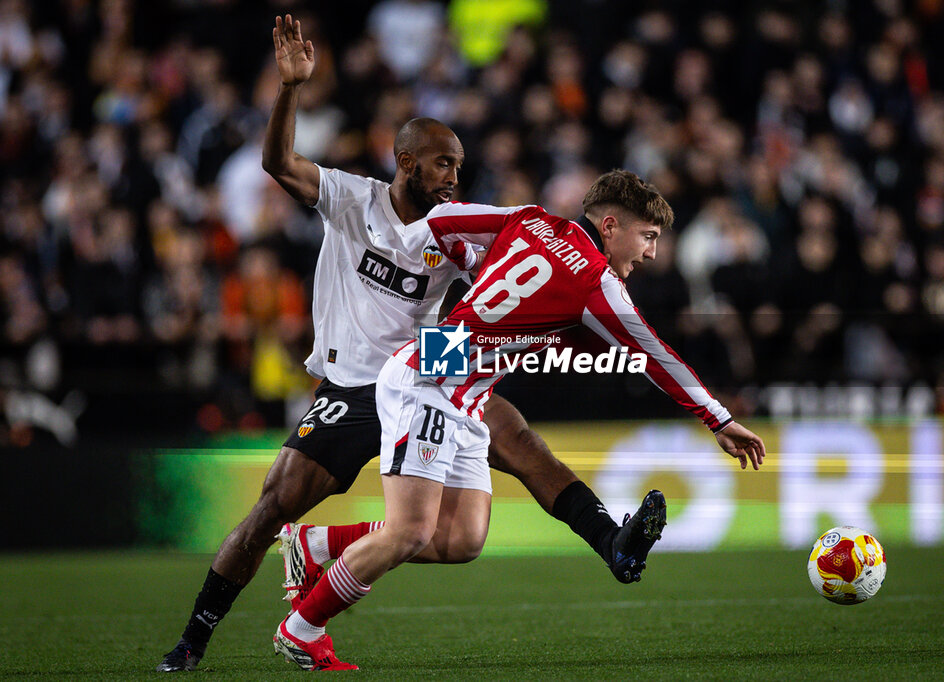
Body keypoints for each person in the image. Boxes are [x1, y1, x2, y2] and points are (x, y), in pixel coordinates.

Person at [158, 15, 661, 672]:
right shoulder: (349, 198)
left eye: (459, 165)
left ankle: (612, 541)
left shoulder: (455, 230)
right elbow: (277, 162)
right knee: (267, 512)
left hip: (428, 365)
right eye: (443, 163)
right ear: (405, 162)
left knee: (517, 442)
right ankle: (194, 638)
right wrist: (290, 89)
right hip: (351, 383)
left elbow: (512, 275)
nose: (454, 176)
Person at [273, 169, 767, 670]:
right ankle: (302, 628)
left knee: (461, 539)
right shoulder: (595, 281)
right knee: (411, 532)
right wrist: (719, 419)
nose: (652, 253)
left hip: (456, 382)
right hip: (428, 379)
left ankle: (315, 544)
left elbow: (442, 219)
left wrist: (461, 261)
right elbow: (653, 353)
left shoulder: (530, 221)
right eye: (648, 236)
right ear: (612, 226)